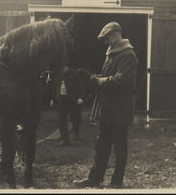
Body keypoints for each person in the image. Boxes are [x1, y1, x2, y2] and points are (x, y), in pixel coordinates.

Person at [74, 21, 138, 188]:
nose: (106, 42)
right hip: (108, 109)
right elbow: (107, 76)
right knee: (101, 146)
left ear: (116, 35)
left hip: (120, 111)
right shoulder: (111, 53)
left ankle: (116, 183)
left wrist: (98, 81)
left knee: (119, 148)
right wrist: (92, 77)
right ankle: (94, 179)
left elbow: (120, 81)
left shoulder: (128, 55)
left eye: (107, 38)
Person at [51, 63, 86, 147]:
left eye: (61, 68)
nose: (60, 70)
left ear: (65, 67)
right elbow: (54, 87)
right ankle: (65, 140)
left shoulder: (73, 73)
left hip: (73, 100)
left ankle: (76, 131)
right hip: (61, 101)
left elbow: (81, 86)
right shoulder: (57, 74)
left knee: (76, 118)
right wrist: (52, 99)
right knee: (61, 120)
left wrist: (81, 97)